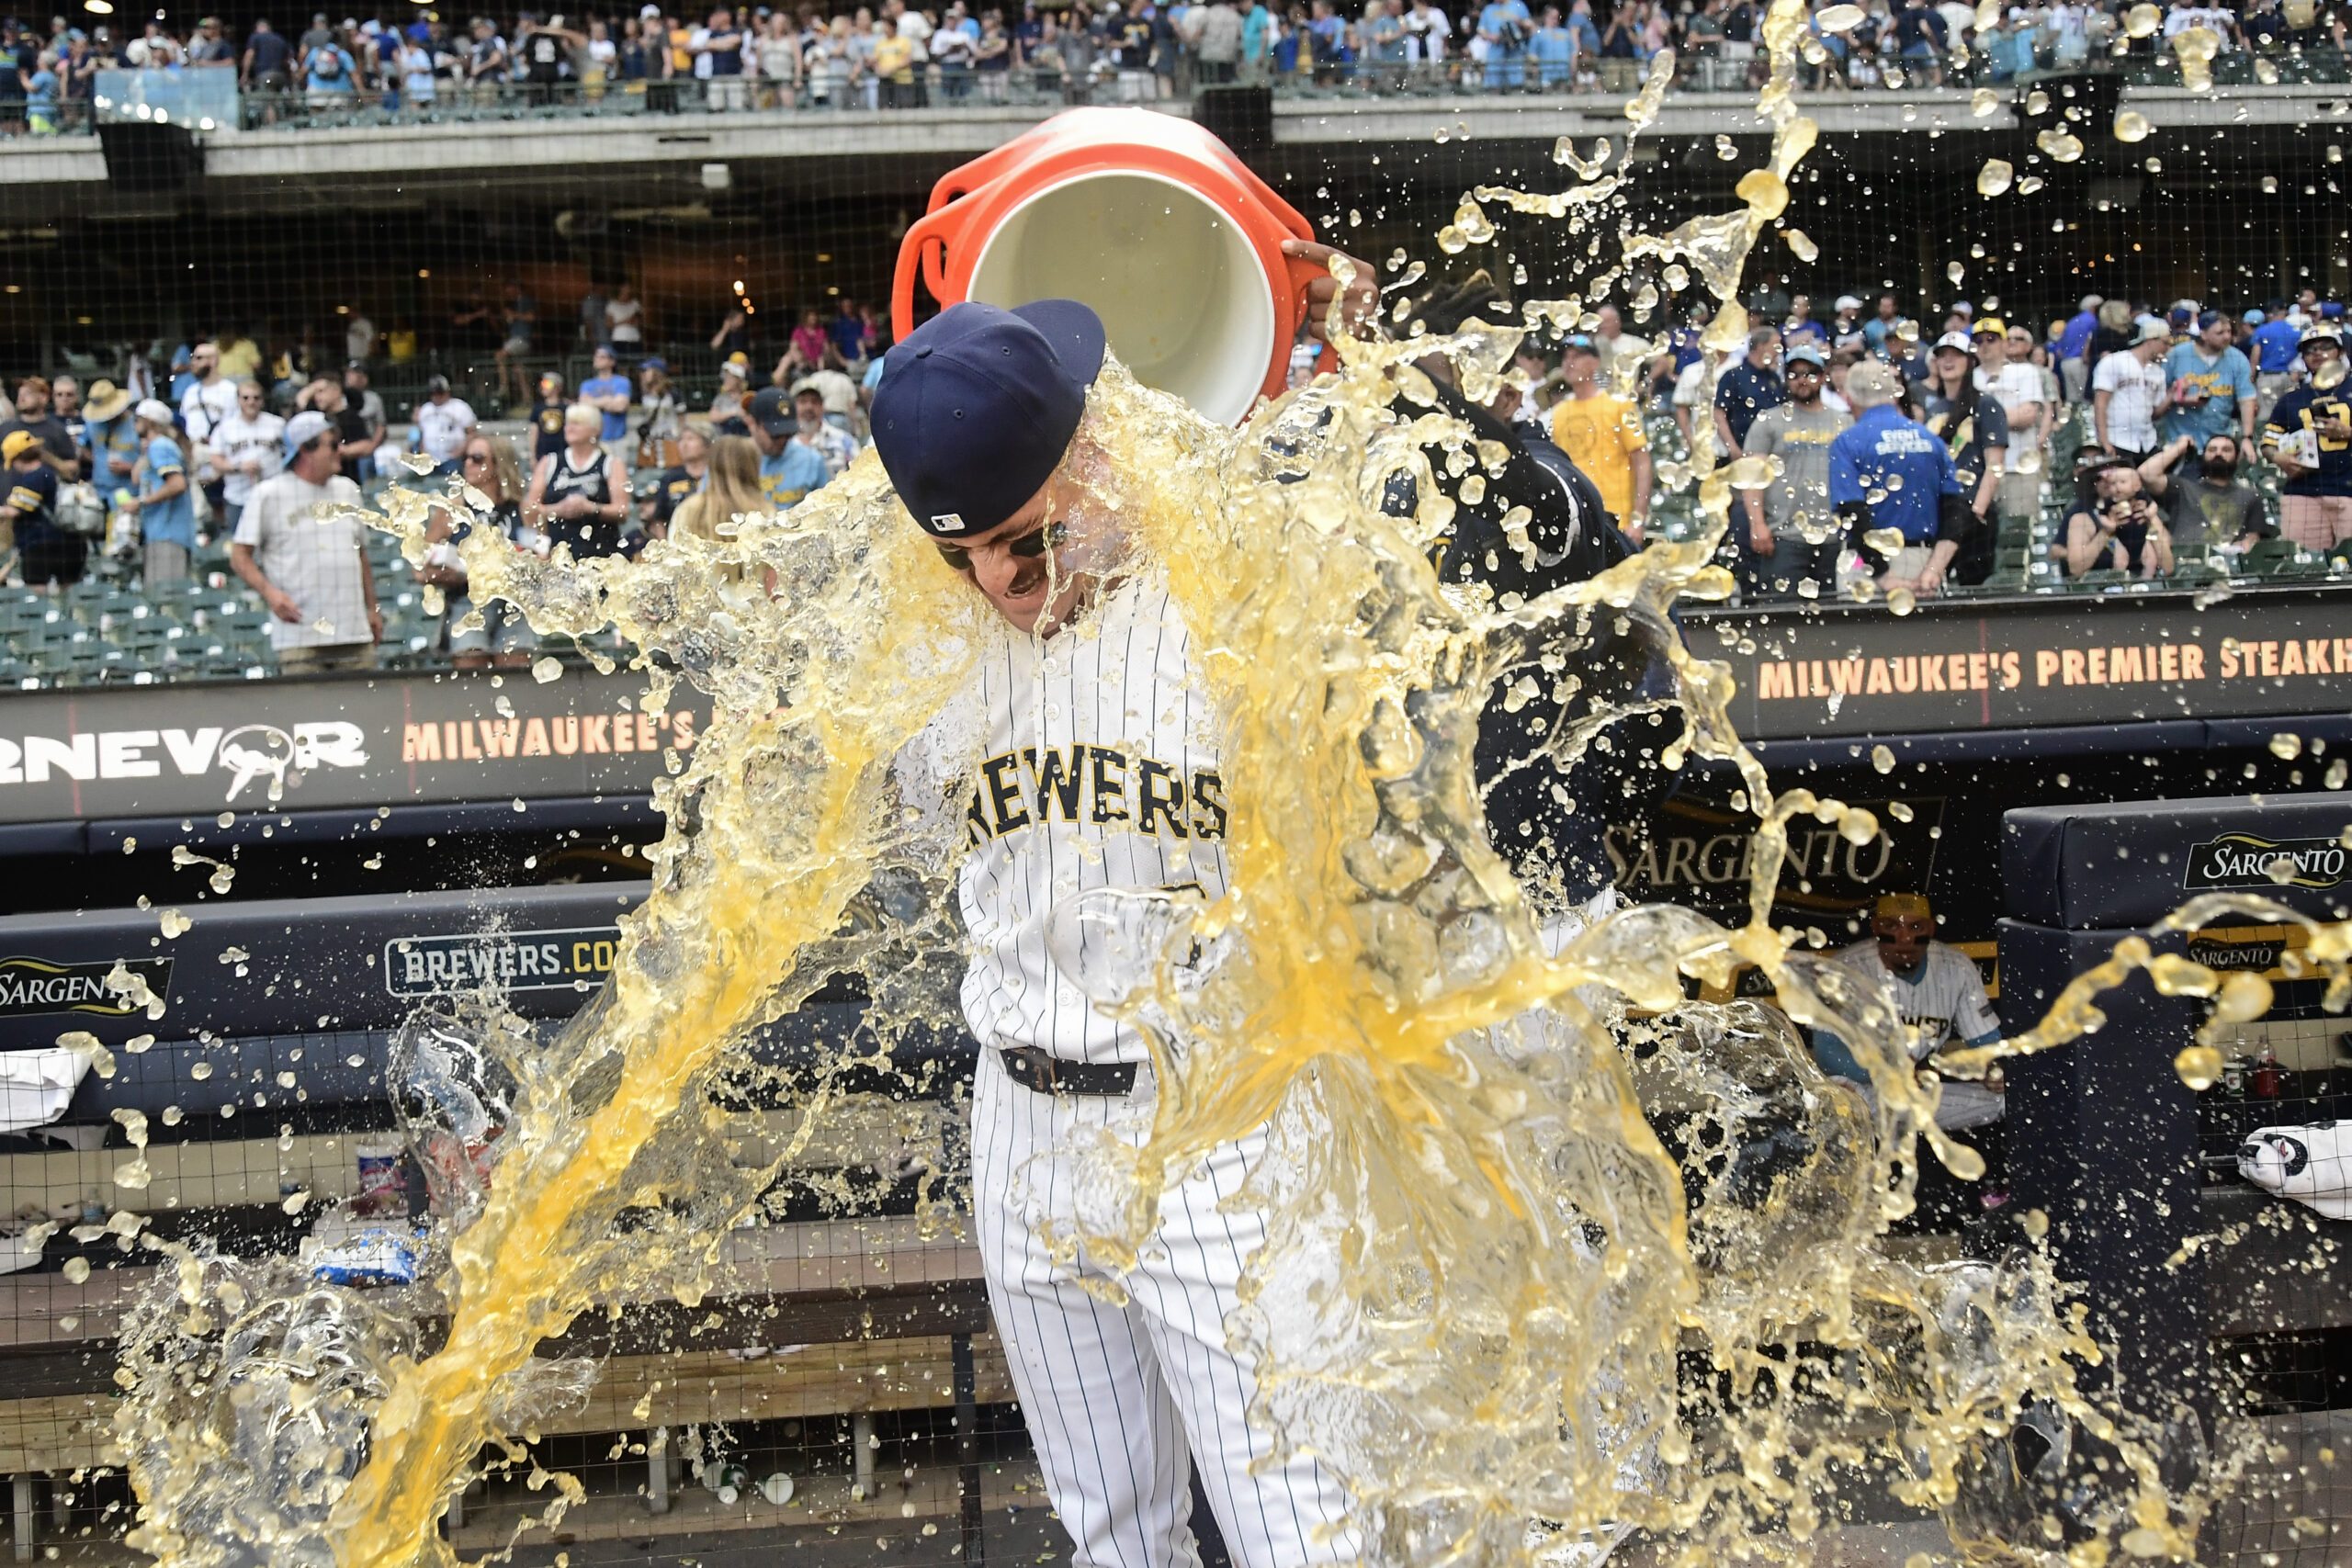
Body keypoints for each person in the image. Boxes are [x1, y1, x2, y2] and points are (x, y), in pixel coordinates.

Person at [870, 298, 1363, 1568]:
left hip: (1219, 1110)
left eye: (1022, 545)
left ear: (1090, 458)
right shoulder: (922, 647)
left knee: (1307, 1536)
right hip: (1022, 1116)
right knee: (1112, 1534)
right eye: (959, 555)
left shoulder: (1237, 595)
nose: (995, 583)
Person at [1810, 893, 2006, 1224]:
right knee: (1835, 1101)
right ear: (1876, 928)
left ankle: (1998, 1197)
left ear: (1929, 929)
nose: (1904, 939)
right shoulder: (1845, 970)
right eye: (1892, 927)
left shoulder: (1955, 969)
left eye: (1915, 928)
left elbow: (1987, 1042)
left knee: (2008, 1100)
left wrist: (1994, 1068)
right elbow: (1828, 1052)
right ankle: (1832, 1211)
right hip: (1863, 1093)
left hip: (1917, 1097)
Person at [234, 410, 381, 673]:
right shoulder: (268, 494)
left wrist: (372, 608)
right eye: (332, 445)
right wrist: (271, 594)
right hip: (299, 635)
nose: (340, 451)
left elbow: (361, 556)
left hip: (354, 633)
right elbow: (239, 556)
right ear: (306, 450)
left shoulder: (347, 489)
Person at [1828, 361, 1970, 598]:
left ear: (1849, 398)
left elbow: (1851, 511)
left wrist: (1883, 576)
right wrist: (1934, 570)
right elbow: (1956, 510)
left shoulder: (1847, 442)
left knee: (1860, 635)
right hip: (1923, 562)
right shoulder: (1929, 439)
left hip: (1862, 564)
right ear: (1894, 395)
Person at [421, 433, 542, 671]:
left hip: (514, 604)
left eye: (477, 458)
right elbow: (420, 565)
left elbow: (542, 559)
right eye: (466, 458)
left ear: (499, 464)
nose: (468, 464)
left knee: (517, 677)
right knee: (472, 681)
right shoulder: (451, 509)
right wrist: (447, 573)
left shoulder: (524, 509)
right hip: (467, 601)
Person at [1739, 342, 1849, 601]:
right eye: (1794, 374)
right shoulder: (1769, 420)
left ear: (1823, 377)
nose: (1802, 381)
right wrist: (1758, 525)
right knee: (1781, 622)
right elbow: (1751, 475)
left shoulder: (1844, 421)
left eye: (1810, 374)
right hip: (1783, 537)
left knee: (1834, 625)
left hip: (1832, 538)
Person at [1918, 331, 2007, 581]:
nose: (1947, 361)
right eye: (1942, 355)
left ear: (1970, 361)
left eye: (1955, 355)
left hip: (1972, 509)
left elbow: (1995, 465)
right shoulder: (1934, 408)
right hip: (1939, 509)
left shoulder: (1986, 404)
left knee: (1972, 589)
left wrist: (1977, 511)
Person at [2259, 323, 2352, 553]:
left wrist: (2348, 433)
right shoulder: (2291, 399)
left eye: (2325, 347)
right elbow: (2267, 443)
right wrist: (2279, 458)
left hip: (2349, 490)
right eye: (2310, 350)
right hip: (2303, 493)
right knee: (2303, 567)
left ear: (2340, 352)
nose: (2317, 353)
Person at [1548, 335, 1651, 540]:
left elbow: (1642, 460)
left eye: (1577, 357)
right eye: (1566, 357)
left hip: (1617, 519)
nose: (1569, 363)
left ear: (1595, 362)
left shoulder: (1618, 405)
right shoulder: (1558, 412)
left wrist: (1638, 519)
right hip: (1576, 521)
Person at [2136, 432, 2273, 558]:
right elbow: (2145, 473)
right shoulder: (2182, 488)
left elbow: (2253, 537)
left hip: (2230, 565)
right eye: (2212, 450)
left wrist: (2240, 549)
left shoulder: (2250, 495)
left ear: (2237, 458)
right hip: (2185, 563)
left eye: (2226, 450)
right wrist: (2179, 447)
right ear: (2204, 456)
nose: (2218, 454)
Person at [526, 403, 631, 559]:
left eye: (577, 423)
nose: (569, 428)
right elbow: (530, 509)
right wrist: (558, 509)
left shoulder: (611, 464)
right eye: (568, 423)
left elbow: (622, 511)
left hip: (602, 554)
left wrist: (591, 508)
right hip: (559, 555)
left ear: (594, 430)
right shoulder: (550, 463)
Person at [2056, 457, 2172, 579]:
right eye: (2100, 477)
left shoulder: (2145, 510)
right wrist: (2106, 531)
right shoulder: (2081, 519)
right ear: (2093, 484)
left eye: (2115, 473)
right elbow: (2076, 570)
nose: (2109, 480)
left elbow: (2168, 567)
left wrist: (2150, 521)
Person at [2160, 309, 2256, 447]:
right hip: (2180, 440)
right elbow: (2160, 395)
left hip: (2220, 441)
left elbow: (2246, 399)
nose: (2226, 337)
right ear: (2203, 334)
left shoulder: (2237, 358)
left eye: (2229, 331)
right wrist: (2181, 400)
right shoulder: (2178, 355)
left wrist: (2247, 437)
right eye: (2220, 333)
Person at [207, 379, 286, 536]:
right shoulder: (224, 428)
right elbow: (215, 461)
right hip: (238, 498)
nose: (251, 402)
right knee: (239, 546)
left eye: (256, 398)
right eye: (246, 398)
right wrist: (239, 467)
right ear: (238, 400)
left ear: (263, 401)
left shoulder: (277, 424)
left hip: (273, 497)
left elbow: (291, 455)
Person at [1, 429, 76, 588]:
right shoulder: (50, 472)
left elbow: (14, 511)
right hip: (68, 545)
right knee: (66, 600)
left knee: (38, 602)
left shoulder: (35, 477)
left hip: (41, 545)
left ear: (17, 458)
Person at [2091, 319, 2169, 463]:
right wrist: (2104, 441)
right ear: (2151, 340)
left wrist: (2172, 395)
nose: (2167, 348)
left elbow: (2155, 413)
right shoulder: (2114, 361)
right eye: (2165, 343)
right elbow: (2100, 403)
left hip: (2147, 441)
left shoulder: (2158, 372)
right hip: (2117, 439)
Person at [744, 385, 832, 510]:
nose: (782, 440)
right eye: (775, 435)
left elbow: (828, 510)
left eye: (787, 434)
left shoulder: (811, 460)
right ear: (752, 423)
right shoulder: (735, 461)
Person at [667, 431, 765, 542]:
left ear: (712, 465)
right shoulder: (764, 511)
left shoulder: (687, 510)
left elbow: (674, 548)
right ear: (752, 466)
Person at [1713, 325, 1786, 458]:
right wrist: (1732, 448)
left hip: (1772, 452)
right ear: (1761, 346)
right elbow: (1719, 413)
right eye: (1775, 346)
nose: (1779, 352)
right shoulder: (1734, 376)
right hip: (1744, 450)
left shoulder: (1774, 378)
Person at [0, 376, 79, 481]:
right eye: (20, 393)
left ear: (43, 398)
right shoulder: (5, 428)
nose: (21, 397)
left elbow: (73, 468)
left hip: (44, 493)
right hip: (9, 494)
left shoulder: (56, 429)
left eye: (28, 394)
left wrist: (43, 455)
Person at [579, 344, 636, 481]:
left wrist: (595, 402)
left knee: (620, 478)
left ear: (612, 361)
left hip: (618, 439)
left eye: (602, 356)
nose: (597, 359)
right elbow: (583, 406)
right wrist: (608, 400)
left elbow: (621, 406)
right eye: (596, 356)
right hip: (595, 439)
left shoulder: (622, 382)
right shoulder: (587, 384)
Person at [643, 423, 709, 539]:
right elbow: (659, 519)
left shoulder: (716, 475)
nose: (684, 444)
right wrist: (666, 546)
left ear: (706, 444)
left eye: (691, 439)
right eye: (680, 440)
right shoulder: (670, 478)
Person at [787, 379, 858, 479]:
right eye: (803, 401)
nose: (809, 407)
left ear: (822, 406)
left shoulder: (844, 441)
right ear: (794, 407)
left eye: (814, 401)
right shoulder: (786, 443)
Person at [413, 375, 479, 476]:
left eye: (440, 392)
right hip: (431, 460)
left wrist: (459, 452)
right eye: (434, 393)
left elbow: (471, 433)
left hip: (452, 459)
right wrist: (424, 453)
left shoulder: (460, 407)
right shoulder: (426, 409)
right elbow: (422, 435)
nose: (437, 396)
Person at [528, 369, 571, 463]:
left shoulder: (565, 408)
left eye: (547, 384)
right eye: (542, 383)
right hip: (542, 452)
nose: (543, 387)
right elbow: (534, 432)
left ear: (557, 387)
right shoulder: (538, 408)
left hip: (562, 451)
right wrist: (532, 455)